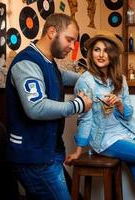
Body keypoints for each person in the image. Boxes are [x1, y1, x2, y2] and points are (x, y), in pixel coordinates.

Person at [64, 30, 135, 200]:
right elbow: (85, 118)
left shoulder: (120, 79)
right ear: (91, 53)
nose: (101, 55)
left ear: (112, 55)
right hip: (106, 139)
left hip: (129, 131)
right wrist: (79, 150)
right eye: (97, 50)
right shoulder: (85, 81)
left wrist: (119, 103)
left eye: (106, 50)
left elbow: (128, 114)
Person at [5, 13, 92, 200]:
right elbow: (36, 107)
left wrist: (92, 80)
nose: (72, 46)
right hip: (34, 157)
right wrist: (78, 105)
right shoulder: (27, 62)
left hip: (47, 154)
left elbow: (63, 76)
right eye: (69, 40)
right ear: (52, 32)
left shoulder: (48, 61)